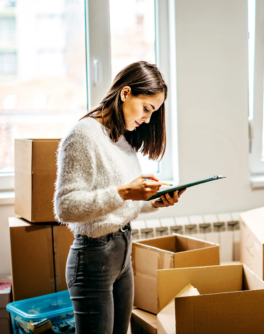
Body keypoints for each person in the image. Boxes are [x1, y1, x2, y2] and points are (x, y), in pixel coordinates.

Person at [54, 61, 184, 334]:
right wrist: (125, 192)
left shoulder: (121, 138)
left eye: (154, 112)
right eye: (147, 109)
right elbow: (65, 207)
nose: (148, 119)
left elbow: (120, 204)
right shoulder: (82, 135)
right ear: (125, 93)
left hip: (122, 253)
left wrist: (154, 200)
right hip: (93, 258)